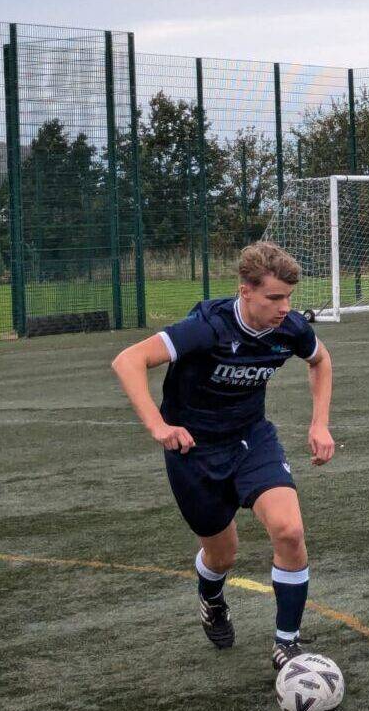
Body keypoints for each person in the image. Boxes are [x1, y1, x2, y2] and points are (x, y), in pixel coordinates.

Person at [110, 242, 335, 669]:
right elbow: (128, 360)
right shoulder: (207, 327)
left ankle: (287, 644)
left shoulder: (290, 329)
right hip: (192, 451)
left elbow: (320, 360)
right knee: (222, 555)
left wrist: (318, 423)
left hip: (251, 439)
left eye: (288, 297)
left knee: (289, 531)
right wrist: (159, 425)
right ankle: (211, 595)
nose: (284, 307)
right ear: (245, 291)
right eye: (273, 298)